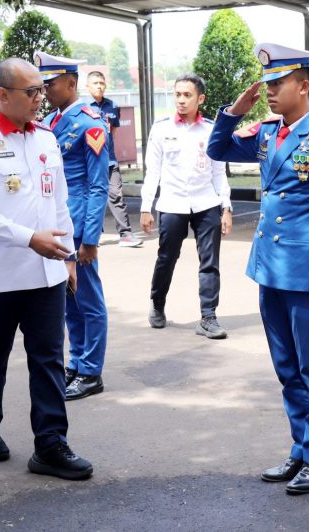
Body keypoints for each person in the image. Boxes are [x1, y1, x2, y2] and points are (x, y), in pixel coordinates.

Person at [206, 43, 309, 496]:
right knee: (286, 368)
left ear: (303, 86)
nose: (269, 91)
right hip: (270, 269)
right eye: (267, 84)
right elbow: (218, 149)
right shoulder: (269, 132)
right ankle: (301, 448)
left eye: (277, 84)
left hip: (307, 273)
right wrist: (234, 111)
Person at [0, 57, 94, 481]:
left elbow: (60, 203)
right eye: (30, 92)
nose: (40, 98)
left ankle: (50, 444)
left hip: (47, 273)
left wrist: (68, 256)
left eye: (41, 90)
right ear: (2, 94)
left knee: (49, 357)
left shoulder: (46, 139)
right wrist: (28, 238)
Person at [37, 52, 109, 401]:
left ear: (70, 83)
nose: (45, 90)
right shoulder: (51, 121)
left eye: (49, 84)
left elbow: (98, 185)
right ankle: (77, 362)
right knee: (69, 300)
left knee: (88, 300)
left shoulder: (90, 122)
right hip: (58, 225)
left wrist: (91, 237)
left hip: (80, 224)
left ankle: (91, 371)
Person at [139, 74, 232, 338]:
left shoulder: (211, 130)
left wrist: (226, 207)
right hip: (172, 203)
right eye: (177, 94)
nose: (181, 100)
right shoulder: (161, 129)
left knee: (210, 262)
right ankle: (157, 304)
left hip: (206, 203)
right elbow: (152, 171)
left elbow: (218, 172)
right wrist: (146, 207)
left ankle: (208, 317)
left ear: (200, 98)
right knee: (166, 258)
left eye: (187, 95)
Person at [85, 70, 142, 248]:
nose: (99, 86)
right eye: (95, 83)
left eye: (102, 83)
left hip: (109, 160)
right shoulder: (82, 108)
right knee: (91, 197)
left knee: (116, 195)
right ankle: (94, 235)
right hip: (88, 162)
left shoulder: (112, 106)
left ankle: (125, 235)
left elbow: (112, 133)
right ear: (87, 86)